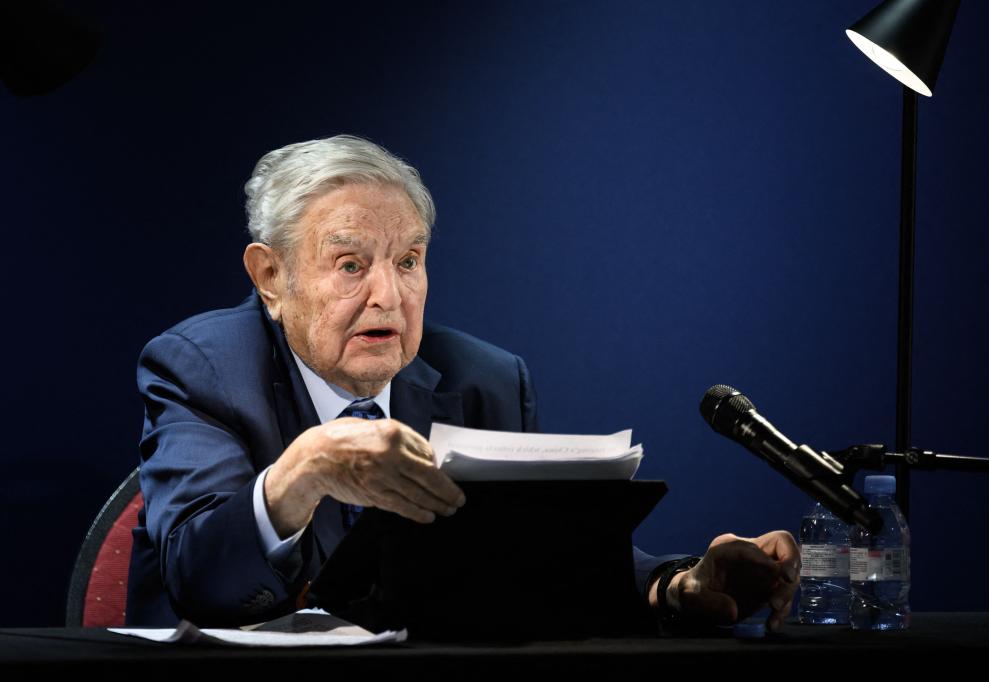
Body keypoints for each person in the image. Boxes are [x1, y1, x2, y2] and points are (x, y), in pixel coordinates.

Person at [127, 134, 799, 632]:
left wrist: (679, 585)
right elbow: (200, 581)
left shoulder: (485, 381)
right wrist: (301, 472)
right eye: (350, 263)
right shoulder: (204, 368)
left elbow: (544, 563)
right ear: (271, 277)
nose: (388, 295)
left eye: (409, 260)